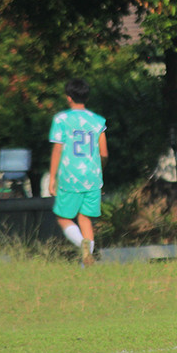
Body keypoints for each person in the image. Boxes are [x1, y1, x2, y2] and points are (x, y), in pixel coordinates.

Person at [48, 78, 108, 266]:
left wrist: (52, 178)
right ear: (87, 97)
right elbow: (104, 153)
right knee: (85, 218)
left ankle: (82, 246)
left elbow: (57, 150)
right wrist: (99, 171)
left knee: (63, 217)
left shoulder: (61, 119)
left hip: (70, 176)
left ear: (68, 97)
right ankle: (86, 263)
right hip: (92, 177)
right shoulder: (98, 121)